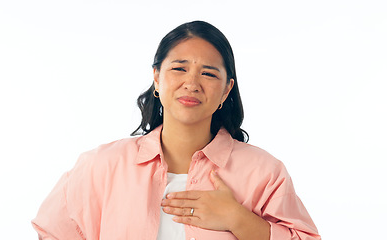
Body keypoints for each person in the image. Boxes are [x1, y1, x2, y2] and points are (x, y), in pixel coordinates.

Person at [32, 20, 321, 240]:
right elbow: (52, 231)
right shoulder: (102, 166)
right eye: (179, 69)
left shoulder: (263, 172)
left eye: (208, 73)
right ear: (156, 77)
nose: (192, 83)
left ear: (226, 90)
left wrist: (239, 219)